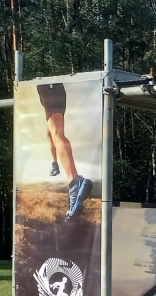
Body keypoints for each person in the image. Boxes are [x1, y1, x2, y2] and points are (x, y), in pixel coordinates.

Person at [38, 82, 92, 219]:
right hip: (56, 89)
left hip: (47, 87)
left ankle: (74, 181)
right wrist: (54, 161)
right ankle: (55, 165)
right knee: (51, 132)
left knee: (57, 135)